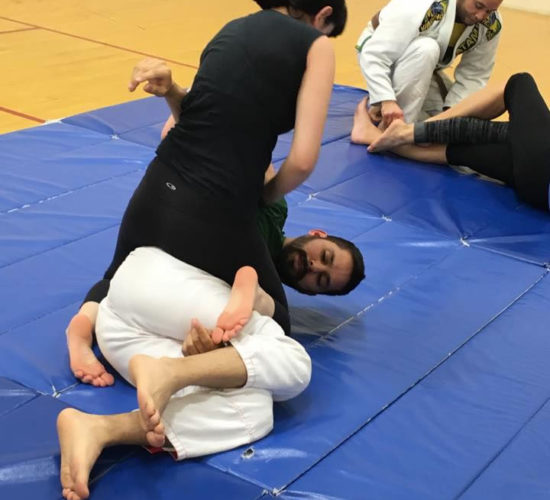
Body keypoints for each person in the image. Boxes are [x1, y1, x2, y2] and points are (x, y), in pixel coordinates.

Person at [65, 0, 348, 387]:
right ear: (324, 16)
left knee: (115, 273)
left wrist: (172, 90)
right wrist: (263, 197)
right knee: (280, 318)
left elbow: (191, 116)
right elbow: (302, 161)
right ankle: (244, 286)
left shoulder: (231, 28)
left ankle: (81, 331)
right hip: (218, 206)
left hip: (159, 182)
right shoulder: (318, 46)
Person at [58, 247, 312, 500]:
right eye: (326, 257)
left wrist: (213, 354)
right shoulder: (262, 236)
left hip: (121, 339)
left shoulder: (275, 318)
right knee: (296, 362)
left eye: (323, 280)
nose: (314, 266)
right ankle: (173, 371)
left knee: (256, 411)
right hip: (146, 285)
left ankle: (100, 429)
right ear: (318, 234)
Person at [353, 73, 550, 212]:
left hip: (542, 169)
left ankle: (413, 131)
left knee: (518, 83)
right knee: (467, 150)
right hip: (538, 193)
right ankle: (371, 136)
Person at [354, 0, 503, 129]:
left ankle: (388, 113)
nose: (480, 16)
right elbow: (375, 54)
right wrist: (386, 99)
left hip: (425, 67)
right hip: (380, 53)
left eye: (489, 11)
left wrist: (452, 113)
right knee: (427, 48)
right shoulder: (421, 4)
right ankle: (396, 128)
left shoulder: (491, 24)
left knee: (447, 122)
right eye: (478, 5)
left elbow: (474, 75)